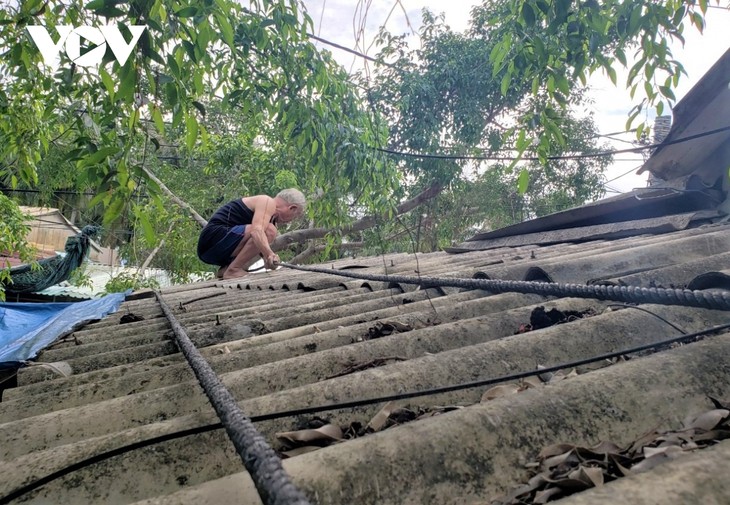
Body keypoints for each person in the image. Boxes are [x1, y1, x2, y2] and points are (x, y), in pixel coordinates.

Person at [197, 188, 306, 280]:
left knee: (267, 234)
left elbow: (259, 247)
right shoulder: (267, 201)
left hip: (212, 251)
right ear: (292, 208)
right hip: (212, 240)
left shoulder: (270, 220)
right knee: (269, 231)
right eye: (295, 216)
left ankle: (227, 268)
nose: (291, 221)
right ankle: (233, 269)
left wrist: (269, 261)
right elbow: (256, 231)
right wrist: (269, 253)